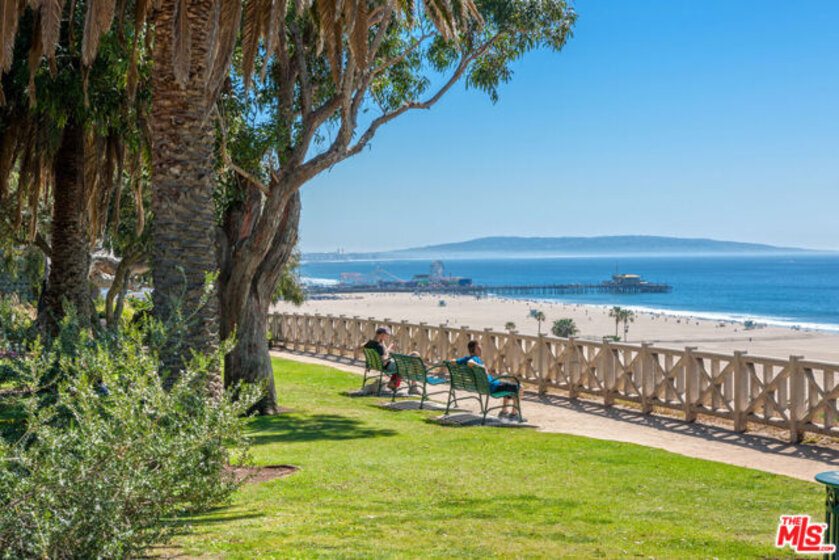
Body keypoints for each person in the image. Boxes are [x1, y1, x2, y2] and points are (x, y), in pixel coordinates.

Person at [456, 340, 520, 418]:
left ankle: (504, 412)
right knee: (520, 387)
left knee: (508, 386)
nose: (481, 349)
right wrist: (482, 366)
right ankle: (514, 414)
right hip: (492, 386)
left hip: (483, 386)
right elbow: (470, 362)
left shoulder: (465, 359)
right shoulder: (474, 358)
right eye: (479, 347)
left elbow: (452, 361)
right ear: (476, 348)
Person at [362, 327, 420, 394]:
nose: (388, 337)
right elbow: (384, 361)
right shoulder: (379, 346)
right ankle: (413, 388)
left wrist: (385, 346)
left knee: (414, 355)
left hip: (381, 364)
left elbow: (361, 346)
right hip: (389, 365)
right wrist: (389, 349)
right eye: (387, 335)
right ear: (382, 334)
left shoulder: (370, 343)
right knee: (415, 356)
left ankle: (393, 384)